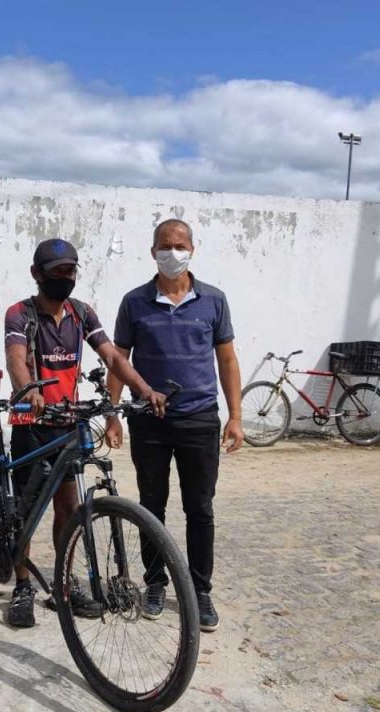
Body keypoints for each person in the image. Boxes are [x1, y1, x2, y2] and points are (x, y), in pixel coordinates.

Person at [3, 238, 166, 628]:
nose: (65, 278)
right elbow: (15, 360)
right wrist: (29, 390)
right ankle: (23, 585)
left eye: (70, 271)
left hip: (68, 422)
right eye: (56, 272)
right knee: (25, 513)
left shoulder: (81, 313)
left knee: (69, 509)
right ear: (36, 274)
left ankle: (63, 581)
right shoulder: (19, 315)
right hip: (32, 424)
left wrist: (144, 389)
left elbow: (111, 356)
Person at [104, 219, 243, 632]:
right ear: (153, 252)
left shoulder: (213, 301)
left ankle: (199, 591)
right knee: (152, 506)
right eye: (165, 246)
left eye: (179, 245)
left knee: (200, 508)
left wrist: (235, 416)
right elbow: (119, 359)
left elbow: (227, 360)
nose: (172, 252)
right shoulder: (134, 303)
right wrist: (113, 414)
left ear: (192, 250)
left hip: (199, 419)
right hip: (149, 420)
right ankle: (154, 582)